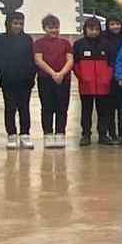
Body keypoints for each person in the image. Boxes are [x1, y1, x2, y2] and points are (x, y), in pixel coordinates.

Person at [0, 12, 36, 148]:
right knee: (10, 108)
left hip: (25, 81)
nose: (18, 26)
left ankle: (25, 134)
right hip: (9, 80)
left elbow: (31, 59)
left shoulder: (27, 39)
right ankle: (11, 135)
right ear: (9, 24)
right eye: (15, 23)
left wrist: (30, 76)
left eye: (20, 24)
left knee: (24, 108)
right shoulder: (0, 40)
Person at [32, 14, 73, 149]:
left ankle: (60, 133)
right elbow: (38, 60)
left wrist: (61, 73)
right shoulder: (38, 43)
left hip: (63, 79)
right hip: (45, 79)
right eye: (50, 27)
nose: (53, 30)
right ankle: (48, 134)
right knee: (47, 107)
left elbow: (70, 60)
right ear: (44, 28)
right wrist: (53, 73)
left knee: (62, 107)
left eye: (56, 27)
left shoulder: (66, 43)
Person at [72, 17, 114, 146]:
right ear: (85, 29)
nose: (93, 32)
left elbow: (111, 64)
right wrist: (82, 77)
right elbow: (75, 64)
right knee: (86, 111)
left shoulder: (106, 44)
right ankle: (86, 135)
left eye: (96, 29)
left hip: (103, 85)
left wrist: (107, 78)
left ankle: (103, 135)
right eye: (91, 29)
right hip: (86, 85)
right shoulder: (79, 44)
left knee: (103, 111)